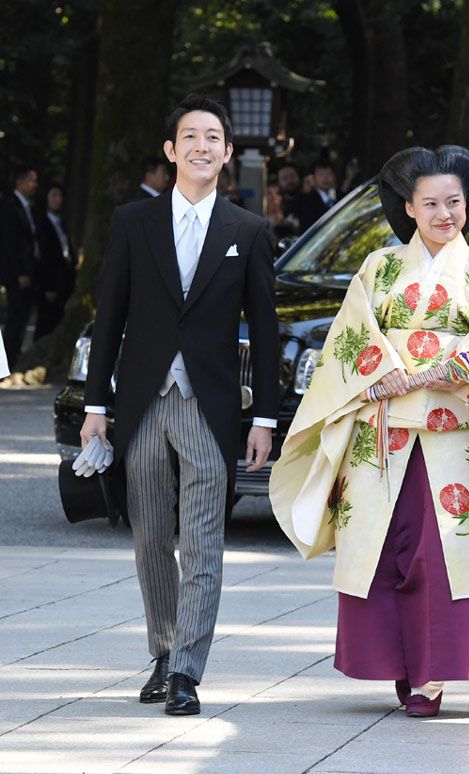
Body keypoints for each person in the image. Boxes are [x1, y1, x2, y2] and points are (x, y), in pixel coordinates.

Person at [270, 145, 469, 717]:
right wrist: (390, 375)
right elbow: (350, 341)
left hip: (458, 438)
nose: (443, 214)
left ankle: (432, 674)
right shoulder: (378, 268)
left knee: (440, 554)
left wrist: (446, 369)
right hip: (384, 437)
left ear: (466, 205)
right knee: (387, 550)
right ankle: (396, 666)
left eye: (453, 202)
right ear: (408, 207)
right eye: (430, 203)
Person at [80, 93, 280, 716]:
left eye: (213, 137)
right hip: (142, 403)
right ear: (171, 151)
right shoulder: (132, 223)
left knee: (202, 540)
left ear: (226, 152)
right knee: (148, 537)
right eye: (189, 136)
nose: (201, 146)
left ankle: (189, 670)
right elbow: (109, 318)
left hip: (211, 408)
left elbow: (266, 332)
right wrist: (96, 405)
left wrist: (265, 418)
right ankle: (163, 652)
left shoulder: (247, 230)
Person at [0, 166, 40, 371]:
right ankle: (6, 362)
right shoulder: (10, 208)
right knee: (15, 318)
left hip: (27, 272)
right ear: (20, 181)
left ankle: (13, 358)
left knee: (21, 318)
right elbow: (9, 244)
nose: (34, 185)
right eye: (31, 180)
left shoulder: (27, 207)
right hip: (17, 274)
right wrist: (20, 273)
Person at [34, 183, 77, 340]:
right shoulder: (42, 224)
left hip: (64, 279)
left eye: (60, 196)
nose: (57, 200)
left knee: (57, 319)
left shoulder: (61, 223)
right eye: (53, 196)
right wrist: (48, 286)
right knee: (45, 319)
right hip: (50, 281)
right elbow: (44, 257)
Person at [284, 161, 337, 234]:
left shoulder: (340, 195)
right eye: (320, 175)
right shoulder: (306, 199)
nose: (325, 178)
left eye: (328, 174)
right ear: (313, 178)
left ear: (334, 176)